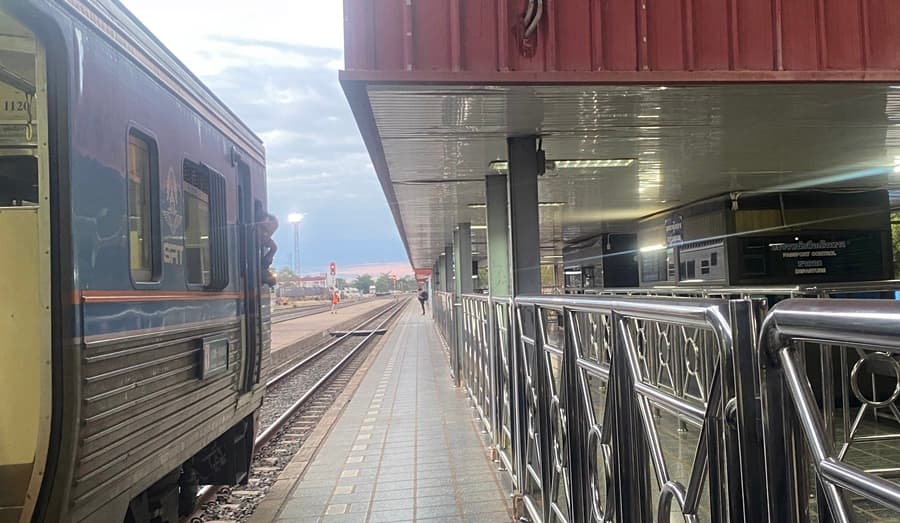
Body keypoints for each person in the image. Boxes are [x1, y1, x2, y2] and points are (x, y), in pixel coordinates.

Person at [255, 202, 278, 286]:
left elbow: (261, 269)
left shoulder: (258, 246)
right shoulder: (243, 246)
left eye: (269, 233)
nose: (265, 235)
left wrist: (272, 251)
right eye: (263, 228)